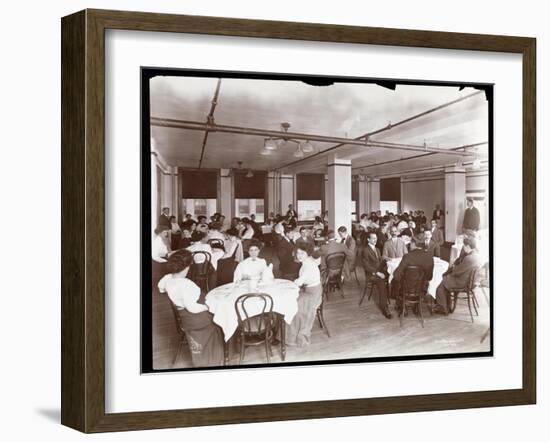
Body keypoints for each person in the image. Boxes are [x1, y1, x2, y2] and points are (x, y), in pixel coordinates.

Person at [158, 251, 224, 367]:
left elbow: (161, 288)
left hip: (184, 318)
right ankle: (213, 361)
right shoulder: (186, 284)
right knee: (220, 318)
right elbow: (192, 308)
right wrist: (207, 307)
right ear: (187, 267)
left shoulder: (168, 279)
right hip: (195, 319)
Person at [434, 236, 483, 314]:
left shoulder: (469, 258)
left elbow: (457, 272)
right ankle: (447, 306)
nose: (463, 248)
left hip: (462, 282)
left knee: (441, 284)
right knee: (445, 280)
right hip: (469, 281)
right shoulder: (477, 256)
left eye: (464, 246)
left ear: (467, 246)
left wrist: (453, 267)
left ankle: (443, 308)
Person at [286, 245, 323, 347]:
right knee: (292, 303)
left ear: (308, 253)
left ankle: (293, 338)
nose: (299, 255)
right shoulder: (307, 261)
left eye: (302, 253)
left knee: (294, 308)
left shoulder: (308, 265)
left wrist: (291, 283)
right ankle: (289, 335)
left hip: (313, 294)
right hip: (309, 290)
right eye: (298, 253)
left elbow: (299, 282)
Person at [391, 237, 434, 305]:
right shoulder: (429, 256)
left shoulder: (407, 257)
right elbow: (429, 277)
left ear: (414, 244)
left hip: (406, 290)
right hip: (421, 290)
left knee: (394, 280)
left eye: (410, 243)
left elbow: (396, 275)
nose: (409, 244)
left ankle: (400, 303)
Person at [361, 232, 392, 319]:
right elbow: (366, 266)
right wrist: (378, 273)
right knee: (381, 281)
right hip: (371, 274)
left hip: (379, 271)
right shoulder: (365, 250)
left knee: (394, 275)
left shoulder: (377, 249)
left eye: (376, 238)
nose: (375, 240)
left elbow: (380, 262)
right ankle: (384, 307)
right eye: (373, 238)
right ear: (368, 239)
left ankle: (393, 298)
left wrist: (387, 260)